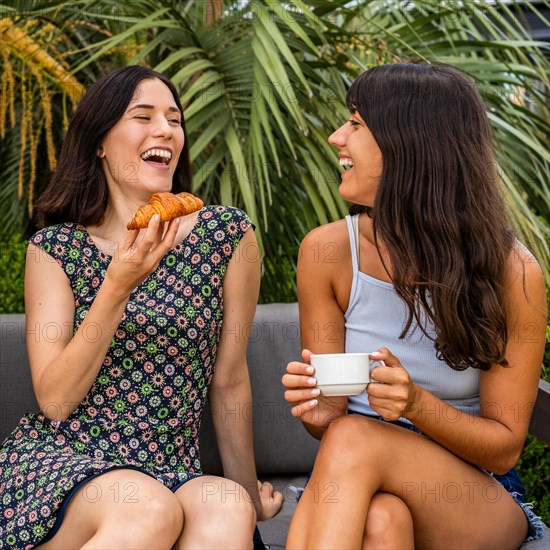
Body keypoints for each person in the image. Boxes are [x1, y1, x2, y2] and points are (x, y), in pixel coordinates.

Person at [0, 65, 282, 549]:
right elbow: (56, 401)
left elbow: (229, 380)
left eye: (174, 119)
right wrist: (117, 286)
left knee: (229, 508)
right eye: (143, 116)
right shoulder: (54, 249)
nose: (165, 130)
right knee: (148, 509)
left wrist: (251, 494)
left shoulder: (227, 236)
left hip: (173, 467)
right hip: (66, 463)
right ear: (99, 142)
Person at [282, 63, 546, 549]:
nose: (336, 137)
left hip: (477, 494)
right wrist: (316, 412)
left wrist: (416, 406)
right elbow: (329, 420)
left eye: (357, 124)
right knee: (383, 523)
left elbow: (506, 448)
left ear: (411, 145)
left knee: (354, 438)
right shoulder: (327, 253)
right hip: (365, 486)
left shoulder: (511, 270)